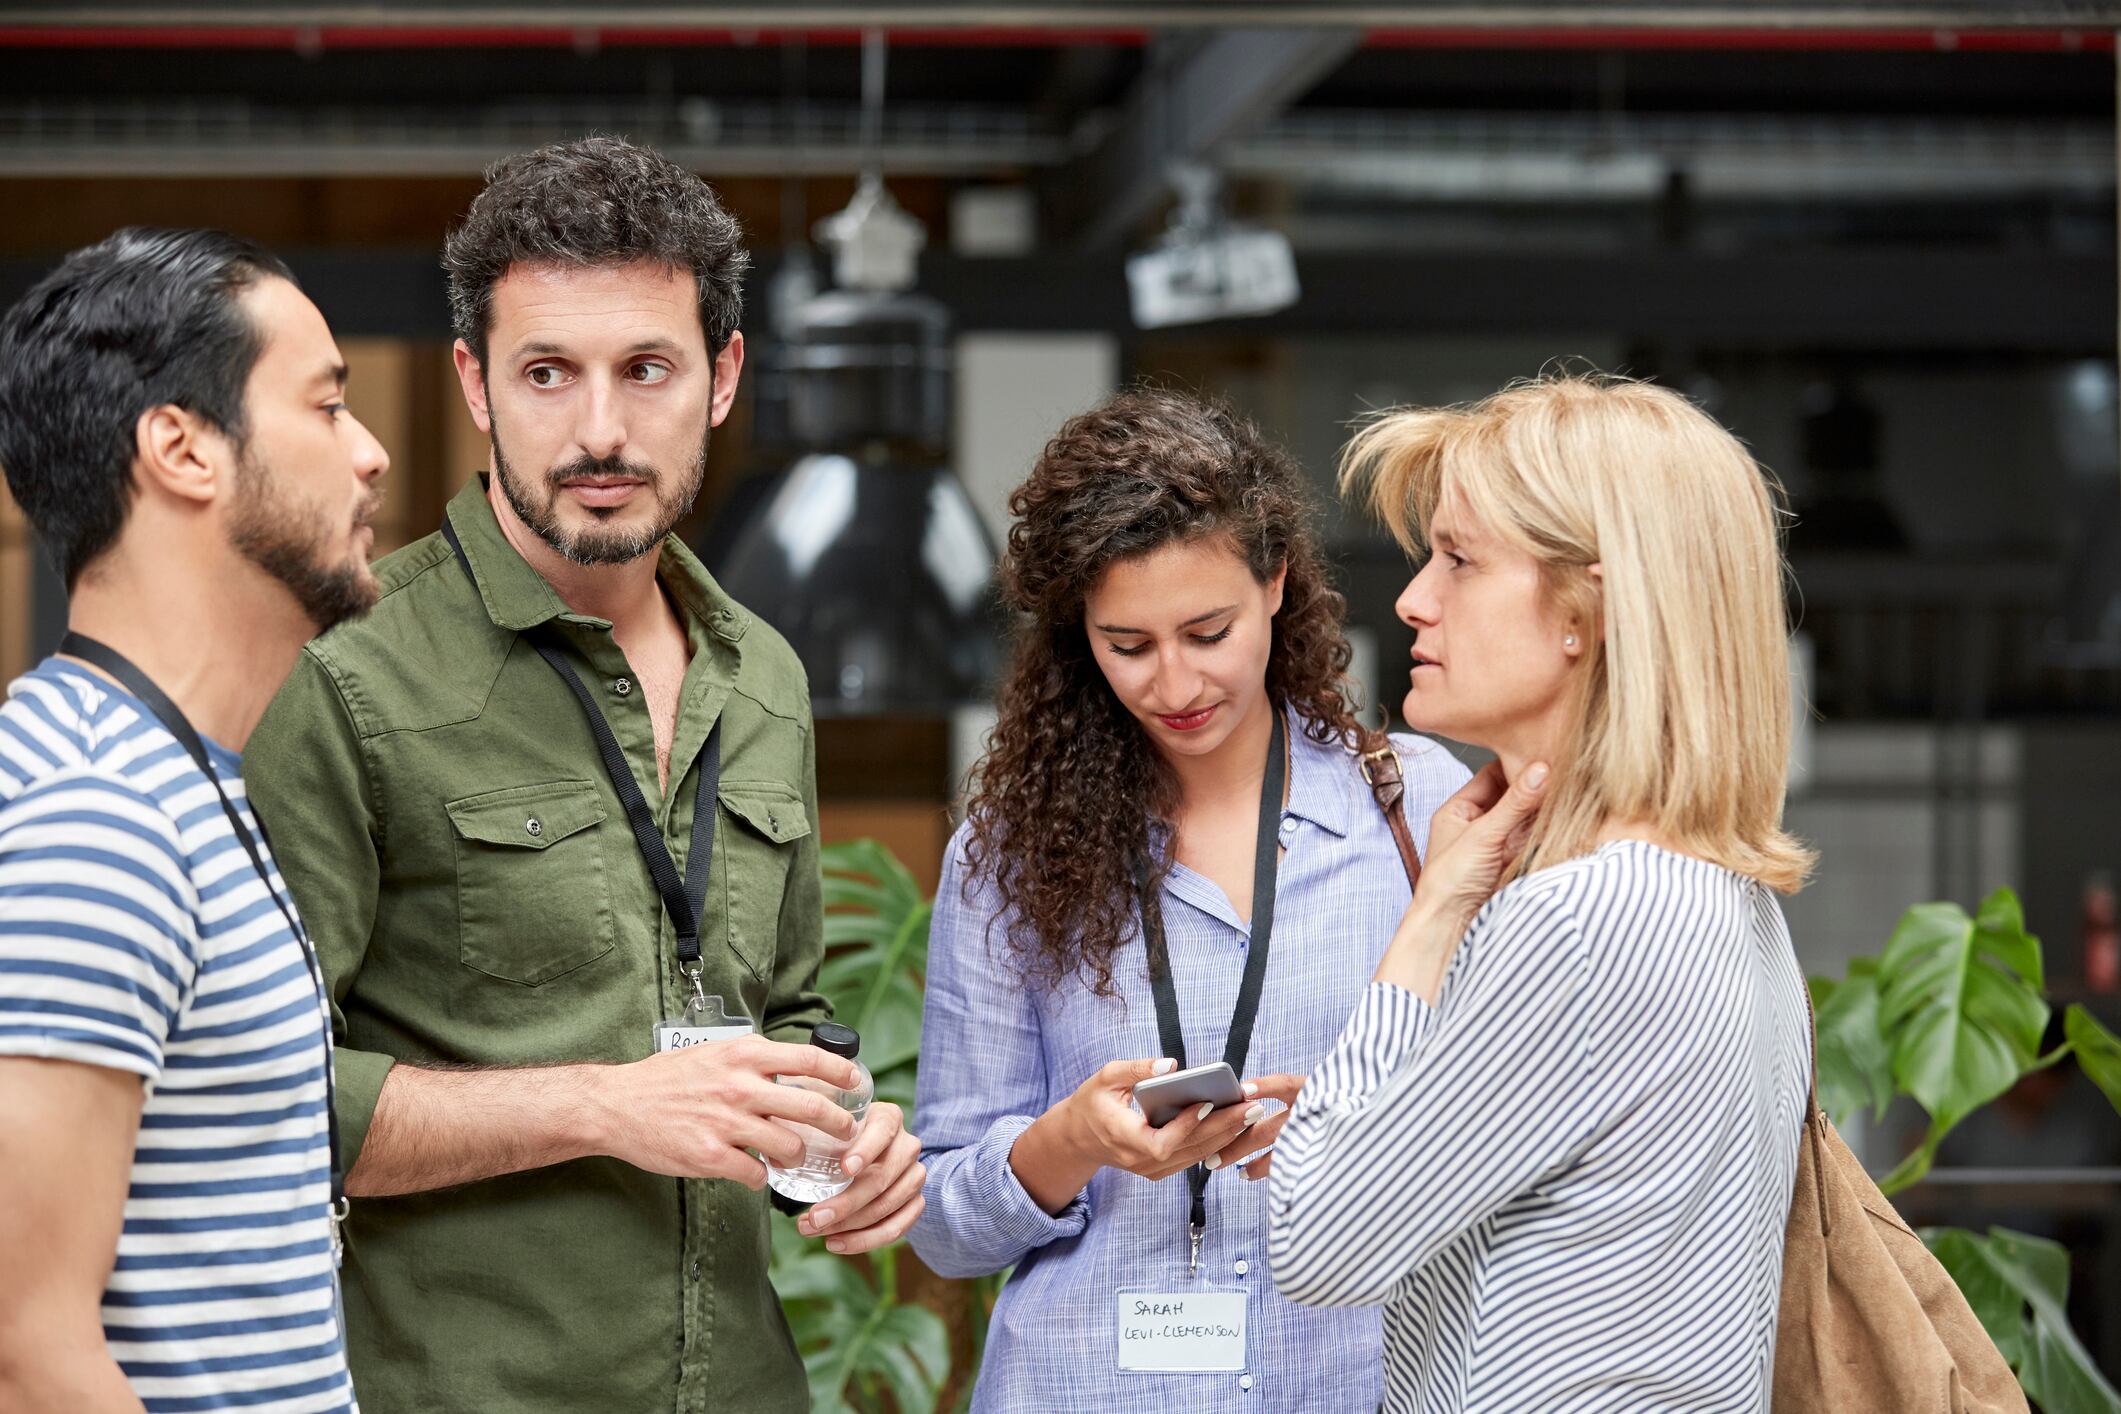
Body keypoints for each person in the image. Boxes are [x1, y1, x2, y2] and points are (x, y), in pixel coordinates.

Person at [242, 137, 924, 1414]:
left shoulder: (765, 676)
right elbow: (260, 1097)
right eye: (547, 373)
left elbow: (775, 1023)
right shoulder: (345, 676)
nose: (599, 430)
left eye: (646, 369)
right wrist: (608, 1105)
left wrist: (845, 1146)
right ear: (477, 383)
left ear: (722, 378)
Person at [909, 388, 1471, 1411]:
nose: (1175, 684)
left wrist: (1365, 1135)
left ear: (1276, 581)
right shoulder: (1007, 853)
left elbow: (1507, 1128)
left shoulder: (1420, 805)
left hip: (1342, 1382)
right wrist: (1071, 1139)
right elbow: (944, 1227)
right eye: (1128, 645)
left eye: (1207, 631)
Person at [1269, 373, 1816, 1412]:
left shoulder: (1577, 922)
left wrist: (1430, 916)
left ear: (1587, 610)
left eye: (1461, 560)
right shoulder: (1729, 905)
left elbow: (1317, 1239)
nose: (1414, 598)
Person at [0, 228, 389, 1412]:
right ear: (181, 448)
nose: (369, 454)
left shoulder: (176, 780)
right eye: (325, 406)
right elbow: (27, 1346)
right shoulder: (100, 819)